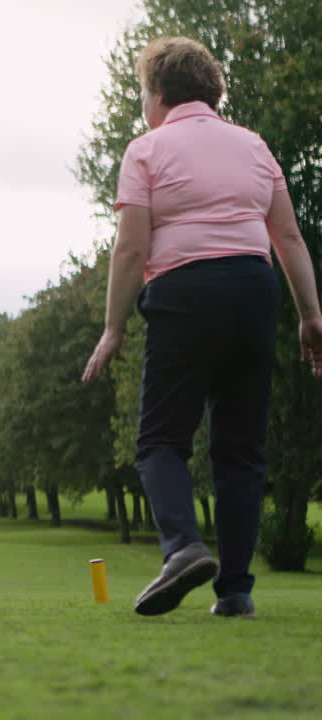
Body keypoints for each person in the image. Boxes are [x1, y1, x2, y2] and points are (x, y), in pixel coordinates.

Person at [82, 37, 322, 618]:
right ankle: (235, 592)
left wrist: (113, 327)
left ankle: (183, 548)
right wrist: (311, 316)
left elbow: (130, 247)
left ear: (159, 93)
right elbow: (288, 237)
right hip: (253, 290)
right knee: (240, 450)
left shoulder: (147, 150)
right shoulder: (253, 146)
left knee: (160, 441)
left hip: (184, 292)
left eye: (143, 93)